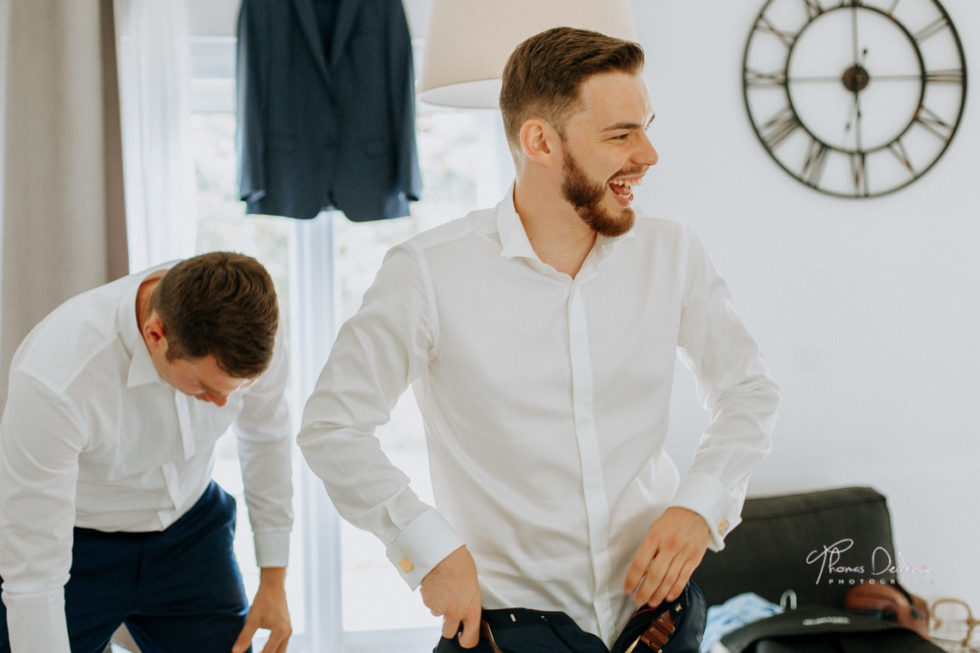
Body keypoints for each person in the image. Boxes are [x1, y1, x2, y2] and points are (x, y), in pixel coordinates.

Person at [298, 26, 780, 652]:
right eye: (621, 134)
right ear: (539, 141)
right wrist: (426, 546)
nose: (649, 154)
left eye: (647, 126)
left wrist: (699, 506)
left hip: (659, 626)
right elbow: (332, 426)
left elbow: (749, 392)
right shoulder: (426, 273)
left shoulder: (674, 251)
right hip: (509, 633)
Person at [0, 252, 294, 653]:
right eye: (205, 386)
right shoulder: (55, 380)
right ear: (156, 334)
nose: (221, 403)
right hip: (77, 544)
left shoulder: (253, 330)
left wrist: (274, 579)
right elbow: (32, 574)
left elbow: (267, 438)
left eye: (235, 390)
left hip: (192, 533)